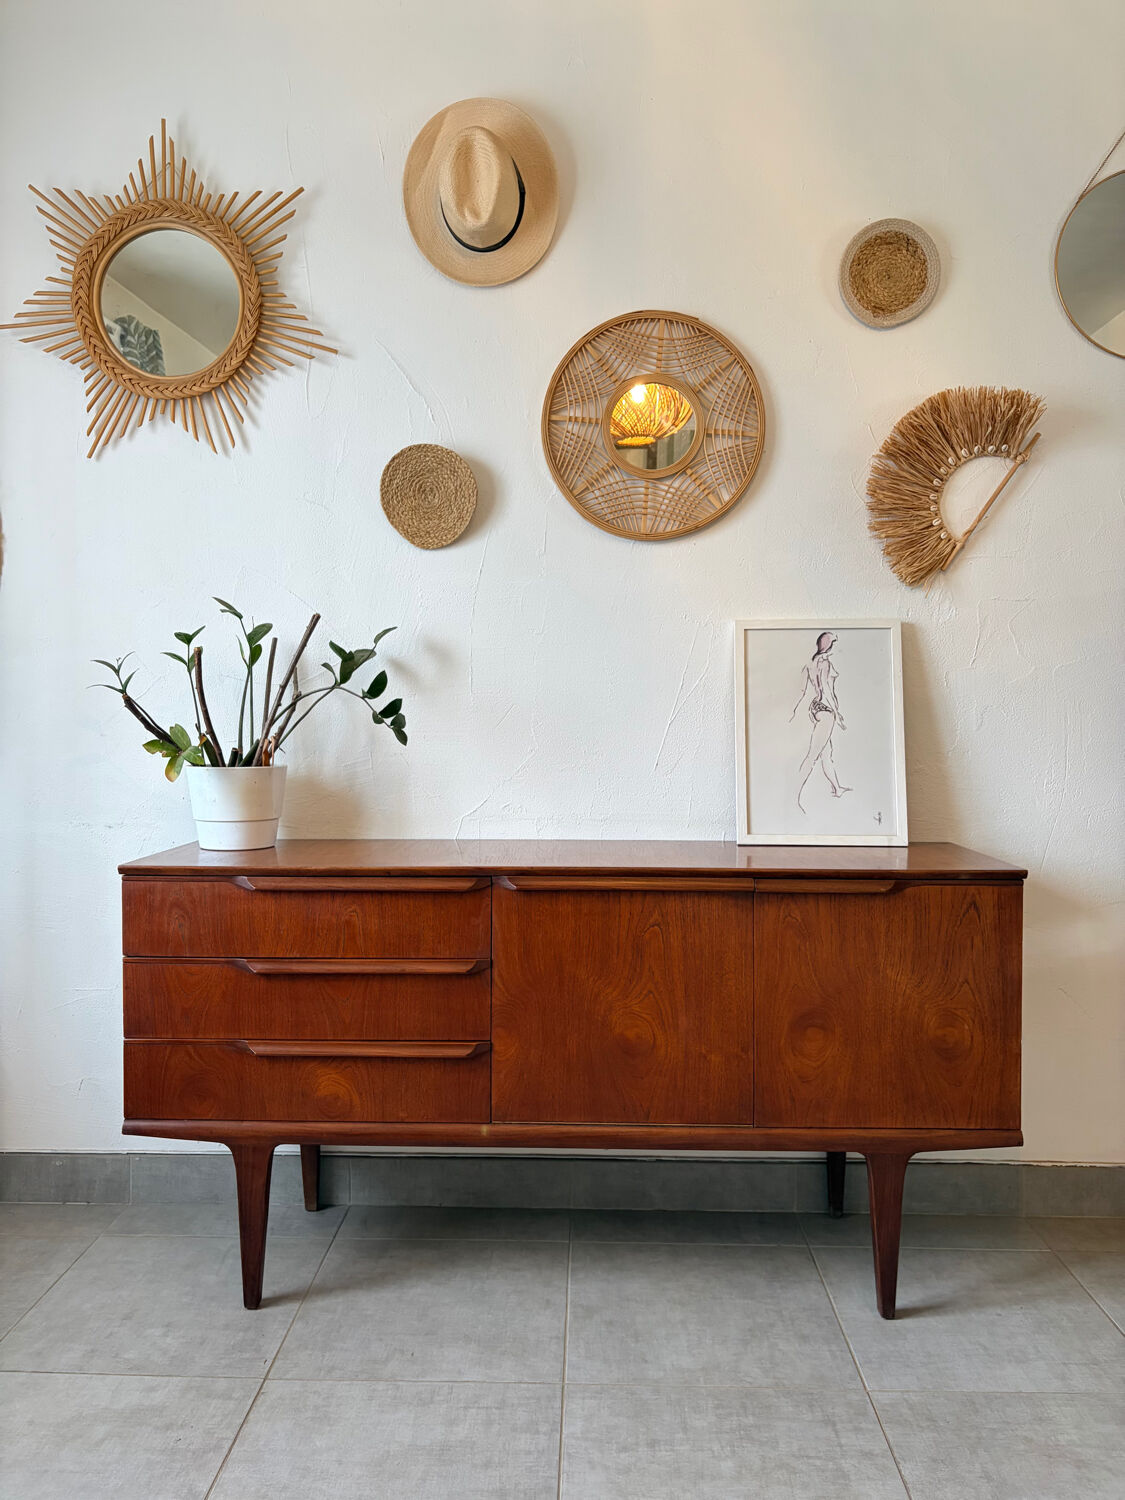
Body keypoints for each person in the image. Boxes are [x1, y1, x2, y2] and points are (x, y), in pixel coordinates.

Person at [790, 631, 852, 811]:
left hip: (815, 708)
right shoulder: (825, 663)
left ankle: (837, 788)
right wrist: (837, 713)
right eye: (834, 643)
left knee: (826, 753)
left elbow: (802, 691)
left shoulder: (810, 663)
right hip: (826, 711)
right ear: (829, 645)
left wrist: (795, 711)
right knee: (813, 755)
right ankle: (794, 797)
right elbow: (826, 688)